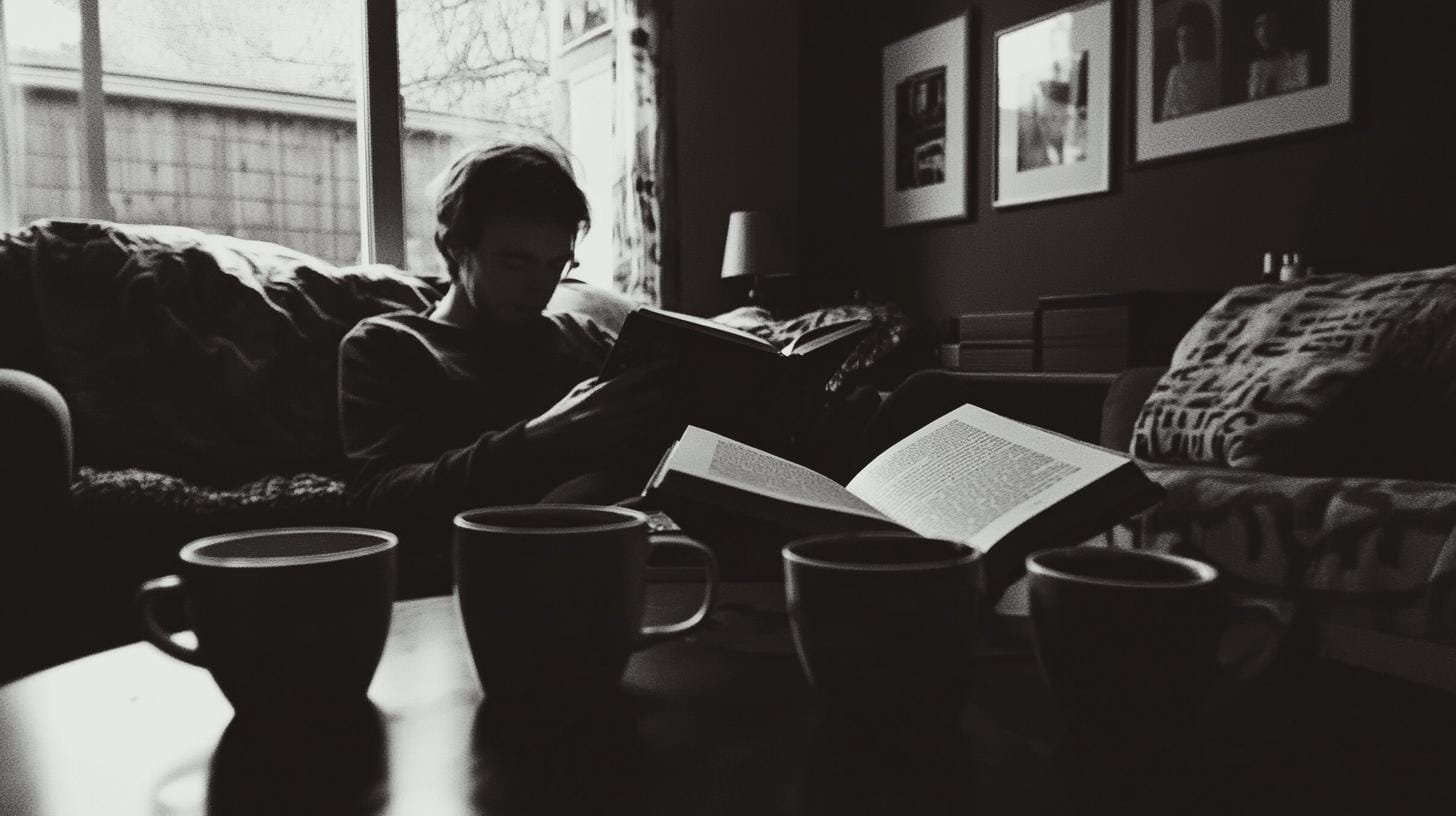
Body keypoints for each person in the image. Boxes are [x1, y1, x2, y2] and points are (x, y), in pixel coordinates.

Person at [337, 141, 676, 592]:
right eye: (515, 262)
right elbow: (379, 504)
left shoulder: (584, 338)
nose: (539, 286)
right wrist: (543, 438)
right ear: (453, 246)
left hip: (639, 563)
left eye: (557, 264)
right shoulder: (387, 346)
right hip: (489, 586)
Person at [1160, 1, 1219, 120]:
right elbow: (1167, 111)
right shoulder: (1175, 72)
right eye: (1180, 38)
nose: (1184, 44)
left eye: (1189, 38)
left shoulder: (1210, 70)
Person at [1247, 5, 1310, 99]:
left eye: (1270, 25)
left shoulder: (1301, 59)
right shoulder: (1256, 68)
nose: (1263, 32)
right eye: (1258, 26)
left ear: (1281, 26)